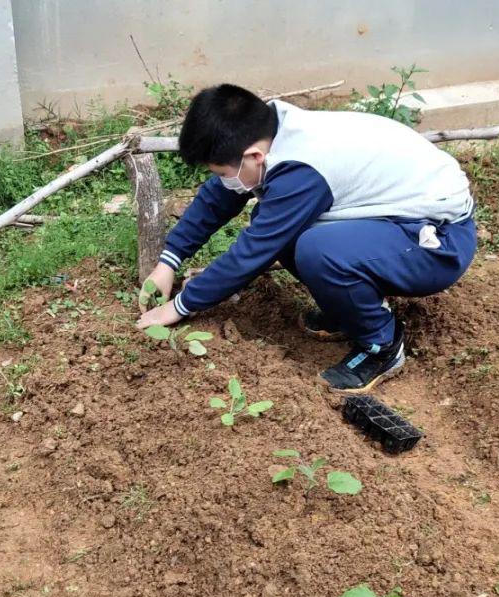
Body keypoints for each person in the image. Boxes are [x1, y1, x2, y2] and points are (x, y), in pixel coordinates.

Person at [135, 83, 477, 393]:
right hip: (394, 217)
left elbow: (254, 251)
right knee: (283, 228)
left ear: (254, 156)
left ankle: (381, 344)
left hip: (437, 242)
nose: (224, 181)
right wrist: (169, 260)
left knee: (315, 248)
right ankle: (348, 309)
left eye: (224, 173)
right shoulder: (272, 130)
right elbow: (218, 198)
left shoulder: (302, 169)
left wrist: (181, 305)